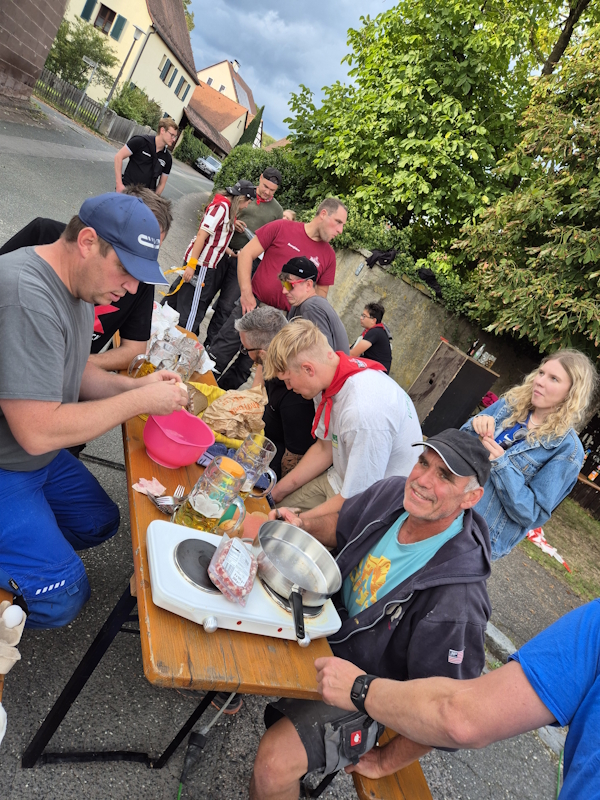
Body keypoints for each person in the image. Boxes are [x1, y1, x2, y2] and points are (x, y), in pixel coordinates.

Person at [250, 428, 493, 800]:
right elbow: (343, 525)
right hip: (324, 623)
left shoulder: (458, 601)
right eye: (423, 462)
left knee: (273, 764)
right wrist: (304, 525)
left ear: (471, 497)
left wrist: (385, 761)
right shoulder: (394, 492)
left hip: (370, 689)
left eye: (445, 476)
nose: (422, 480)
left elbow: (449, 709)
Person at [0, 192, 189, 629]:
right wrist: (139, 401)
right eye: (126, 270)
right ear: (87, 241)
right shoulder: (28, 295)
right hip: (10, 459)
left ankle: (25, 548)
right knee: (64, 598)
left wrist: (136, 385)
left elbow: (77, 369)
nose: (133, 289)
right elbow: (37, 431)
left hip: (31, 458)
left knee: (98, 522)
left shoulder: (77, 288)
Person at [315, 601, 600, 799]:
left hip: (358, 692)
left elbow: (461, 718)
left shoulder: (461, 600)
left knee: (284, 762)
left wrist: (361, 689)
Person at [0, 187, 174, 372]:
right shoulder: (45, 237)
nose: (133, 285)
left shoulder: (139, 282)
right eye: (128, 261)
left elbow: (134, 350)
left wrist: (76, 363)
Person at [264, 320, 422, 519]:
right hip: (340, 479)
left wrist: (298, 522)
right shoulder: (327, 381)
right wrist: (275, 493)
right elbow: (325, 448)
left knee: (277, 527)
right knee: (267, 511)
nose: (288, 387)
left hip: (371, 506)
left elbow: (358, 498)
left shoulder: (362, 412)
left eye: (288, 380)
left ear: (308, 369)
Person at [461, 349, 597, 560]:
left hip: (474, 538)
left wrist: (502, 466)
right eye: (541, 373)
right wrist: (474, 427)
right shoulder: (509, 406)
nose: (540, 381)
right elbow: (456, 446)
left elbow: (532, 514)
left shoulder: (567, 450)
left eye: (553, 378)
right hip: (447, 507)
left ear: (572, 393)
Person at [207, 198, 347, 390]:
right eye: (338, 222)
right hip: (252, 306)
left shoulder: (329, 256)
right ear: (323, 214)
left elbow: (319, 296)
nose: (340, 230)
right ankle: (196, 394)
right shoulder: (282, 227)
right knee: (220, 352)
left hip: (282, 321)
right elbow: (246, 254)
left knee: (244, 369)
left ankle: (219, 402)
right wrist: (246, 293)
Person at [204, 167, 284, 349]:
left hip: (246, 263)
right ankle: (190, 334)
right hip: (223, 251)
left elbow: (273, 241)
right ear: (260, 178)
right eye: (265, 186)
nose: (267, 192)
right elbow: (221, 214)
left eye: (272, 190)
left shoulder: (277, 211)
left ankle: (209, 346)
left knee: (225, 307)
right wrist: (233, 222)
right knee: (205, 294)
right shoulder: (243, 193)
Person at [164, 180, 256, 335]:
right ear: (241, 198)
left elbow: (215, 239)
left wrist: (230, 252)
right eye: (248, 202)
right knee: (193, 308)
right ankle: (183, 338)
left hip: (200, 263)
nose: (247, 206)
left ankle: (158, 324)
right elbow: (202, 235)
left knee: (178, 296)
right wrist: (192, 265)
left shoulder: (225, 208)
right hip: (202, 265)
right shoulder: (222, 208)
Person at [234, 307, 317, 479]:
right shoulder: (274, 357)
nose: (246, 354)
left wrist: (274, 489)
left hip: (267, 464)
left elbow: (294, 457)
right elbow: (258, 380)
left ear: (262, 354)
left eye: (246, 350)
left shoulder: (296, 395)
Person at [282, 256, 349, 354]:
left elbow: (324, 354)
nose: (284, 291)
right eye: (283, 284)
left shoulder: (311, 308)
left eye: (289, 285)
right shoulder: (301, 303)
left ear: (308, 285)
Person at [114, 117, 178, 195]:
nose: (174, 139)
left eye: (175, 136)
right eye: (172, 135)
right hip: (127, 191)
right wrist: (119, 184)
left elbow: (162, 184)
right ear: (162, 130)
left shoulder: (167, 158)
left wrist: (154, 199)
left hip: (145, 198)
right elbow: (118, 157)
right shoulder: (140, 141)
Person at [349, 302, 392, 372]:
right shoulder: (377, 330)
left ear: (373, 320)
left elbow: (353, 354)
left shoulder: (375, 332)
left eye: (364, 316)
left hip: (376, 372)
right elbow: (354, 348)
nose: (361, 318)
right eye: (361, 315)